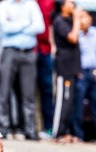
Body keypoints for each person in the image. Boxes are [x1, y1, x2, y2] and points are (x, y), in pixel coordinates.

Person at [0, 0, 45, 141]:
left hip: (28, 53)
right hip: (9, 51)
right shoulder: (4, 5)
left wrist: (14, 25)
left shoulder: (31, 4)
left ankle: (29, 130)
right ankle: (3, 129)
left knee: (28, 94)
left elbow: (40, 27)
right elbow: (5, 28)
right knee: (4, 92)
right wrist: (26, 23)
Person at [51, 0, 82, 143]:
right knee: (63, 101)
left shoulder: (68, 21)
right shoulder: (59, 21)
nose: (72, 5)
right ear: (63, 7)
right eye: (69, 2)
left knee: (69, 102)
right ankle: (57, 133)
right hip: (64, 68)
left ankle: (64, 132)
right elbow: (73, 38)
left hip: (71, 68)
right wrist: (77, 19)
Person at [72, 10, 96, 143]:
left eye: (88, 17)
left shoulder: (95, 33)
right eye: (83, 17)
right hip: (81, 73)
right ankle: (78, 135)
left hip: (93, 73)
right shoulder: (76, 34)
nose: (87, 20)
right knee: (78, 105)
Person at [36, 0, 55, 139]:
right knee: (24, 92)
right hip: (28, 49)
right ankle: (25, 128)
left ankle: (48, 127)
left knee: (47, 90)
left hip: (46, 51)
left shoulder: (50, 2)